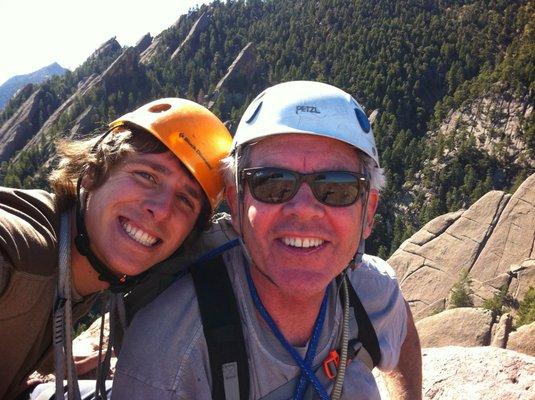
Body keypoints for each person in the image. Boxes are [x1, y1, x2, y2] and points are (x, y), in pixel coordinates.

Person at [112, 81, 422, 399]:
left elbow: (404, 335)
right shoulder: (170, 352)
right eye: (272, 183)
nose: (303, 211)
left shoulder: (369, 290)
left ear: (367, 213)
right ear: (235, 203)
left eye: (335, 188)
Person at [0, 98, 232, 400]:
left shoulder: (78, 263)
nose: (160, 210)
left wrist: (53, 358)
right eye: (147, 176)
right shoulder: (20, 255)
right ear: (92, 172)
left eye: (185, 201)